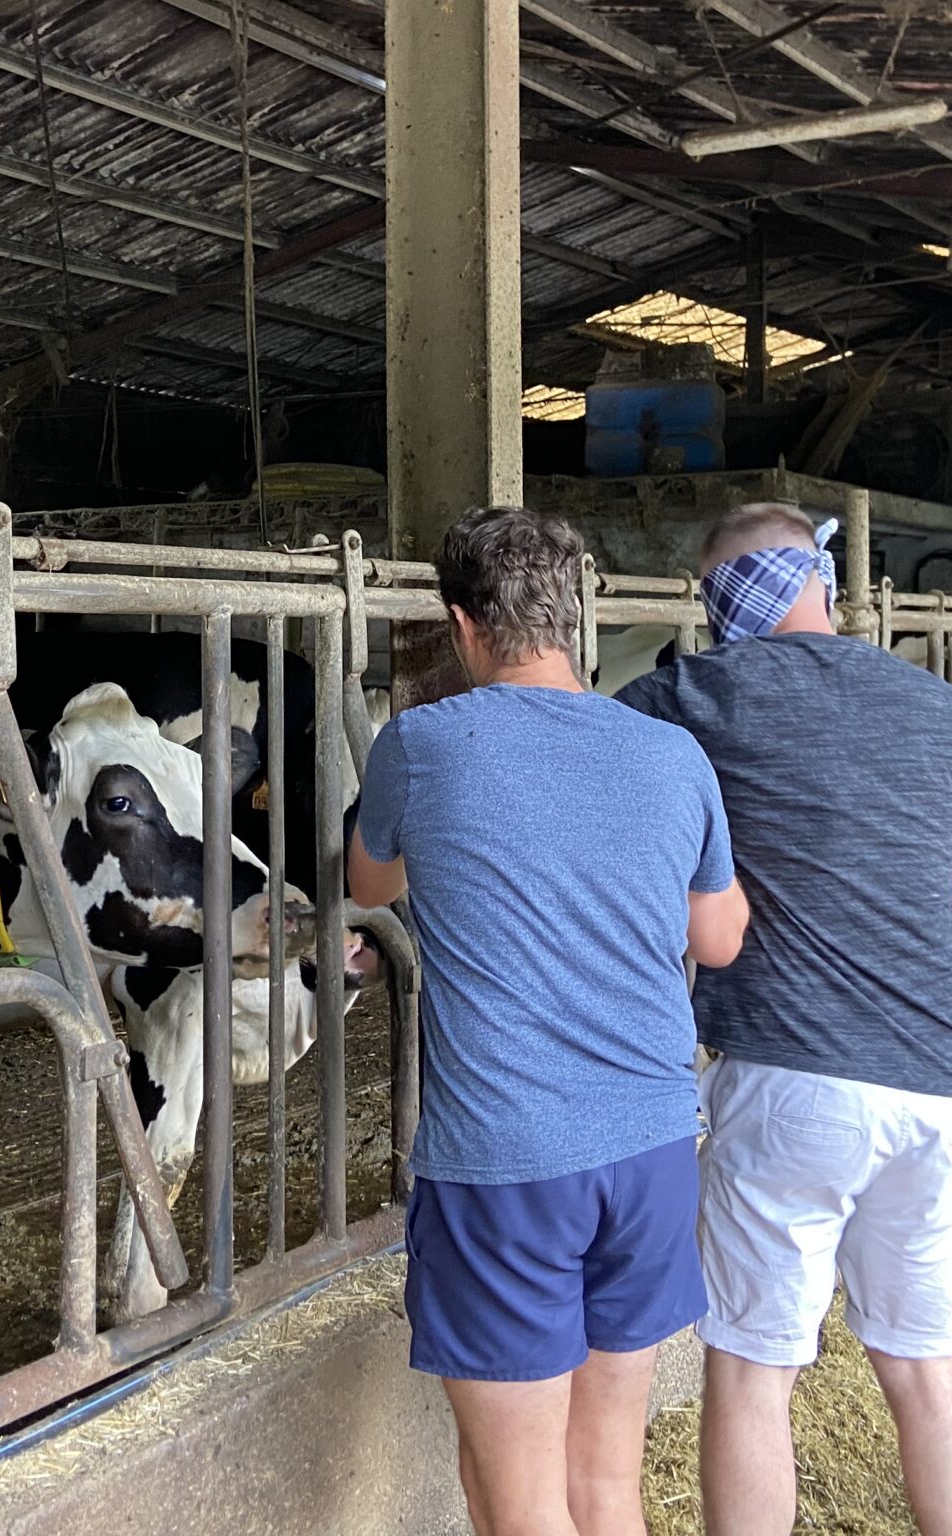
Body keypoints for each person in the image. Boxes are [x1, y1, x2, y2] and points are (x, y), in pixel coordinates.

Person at [615, 503, 952, 1536]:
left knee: (754, 1372)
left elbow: (586, 774)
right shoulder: (942, 708)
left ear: (717, 602)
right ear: (822, 579)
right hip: (940, 1087)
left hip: (788, 1080)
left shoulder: (688, 696)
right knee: (925, 1372)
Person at [347, 506, 750, 1536]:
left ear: (461, 624)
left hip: (508, 1165)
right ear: (575, 618)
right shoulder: (673, 757)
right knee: (603, 1486)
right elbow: (717, 941)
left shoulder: (421, 743)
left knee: (523, 1504)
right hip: (654, 1147)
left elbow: (368, 881)